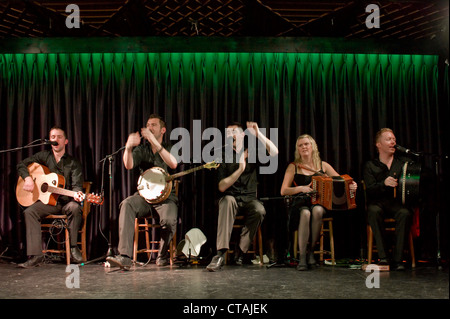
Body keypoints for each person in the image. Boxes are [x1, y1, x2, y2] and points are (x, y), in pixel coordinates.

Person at [107, 114, 178, 270]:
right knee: (127, 204)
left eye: (153, 125)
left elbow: (173, 164)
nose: (149, 128)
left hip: (166, 198)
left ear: (163, 130)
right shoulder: (142, 149)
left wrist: (154, 142)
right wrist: (128, 147)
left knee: (169, 220)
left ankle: (162, 254)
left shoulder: (170, 148)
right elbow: (128, 164)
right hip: (144, 197)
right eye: (148, 125)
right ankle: (124, 256)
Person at [206, 121, 279, 272]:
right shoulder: (221, 154)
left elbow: (274, 152)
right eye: (228, 132)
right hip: (230, 198)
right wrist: (240, 169)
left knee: (259, 210)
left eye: (234, 131)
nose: (231, 134)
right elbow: (221, 186)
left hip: (249, 199)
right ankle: (220, 254)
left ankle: (240, 250)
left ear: (242, 134)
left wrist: (258, 134)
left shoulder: (251, 151)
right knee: (227, 201)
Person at [280, 134, 357, 271]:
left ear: (313, 147)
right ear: (297, 149)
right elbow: (283, 190)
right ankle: (302, 256)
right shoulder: (294, 167)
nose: (304, 147)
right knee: (305, 213)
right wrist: (302, 188)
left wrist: (352, 185)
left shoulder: (323, 166)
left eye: (306, 144)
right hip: (300, 204)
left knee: (317, 210)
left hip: (318, 203)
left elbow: (341, 182)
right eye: (300, 145)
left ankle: (312, 251)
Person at [17, 126, 85, 268]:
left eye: (59, 137)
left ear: (65, 141)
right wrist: (28, 178)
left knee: (74, 207)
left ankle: (73, 248)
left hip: (66, 202)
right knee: (30, 212)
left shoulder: (73, 163)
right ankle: (36, 256)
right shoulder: (44, 156)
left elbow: (77, 186)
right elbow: (21, 164)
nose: (55, 140)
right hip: (49, 203)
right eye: (53, 137)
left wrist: (77, 195)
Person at [363, 128, 413, 271]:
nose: (393, 142)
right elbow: (370, 190)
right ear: (379, 144)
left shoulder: (403, 163)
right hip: (378, 202)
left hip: (397, 203)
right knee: (373, 211)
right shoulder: (370, 165)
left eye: (394, 140)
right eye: (389, 139)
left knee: (405, 213)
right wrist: (383, 184)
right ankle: (383, 257)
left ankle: (398, 259)